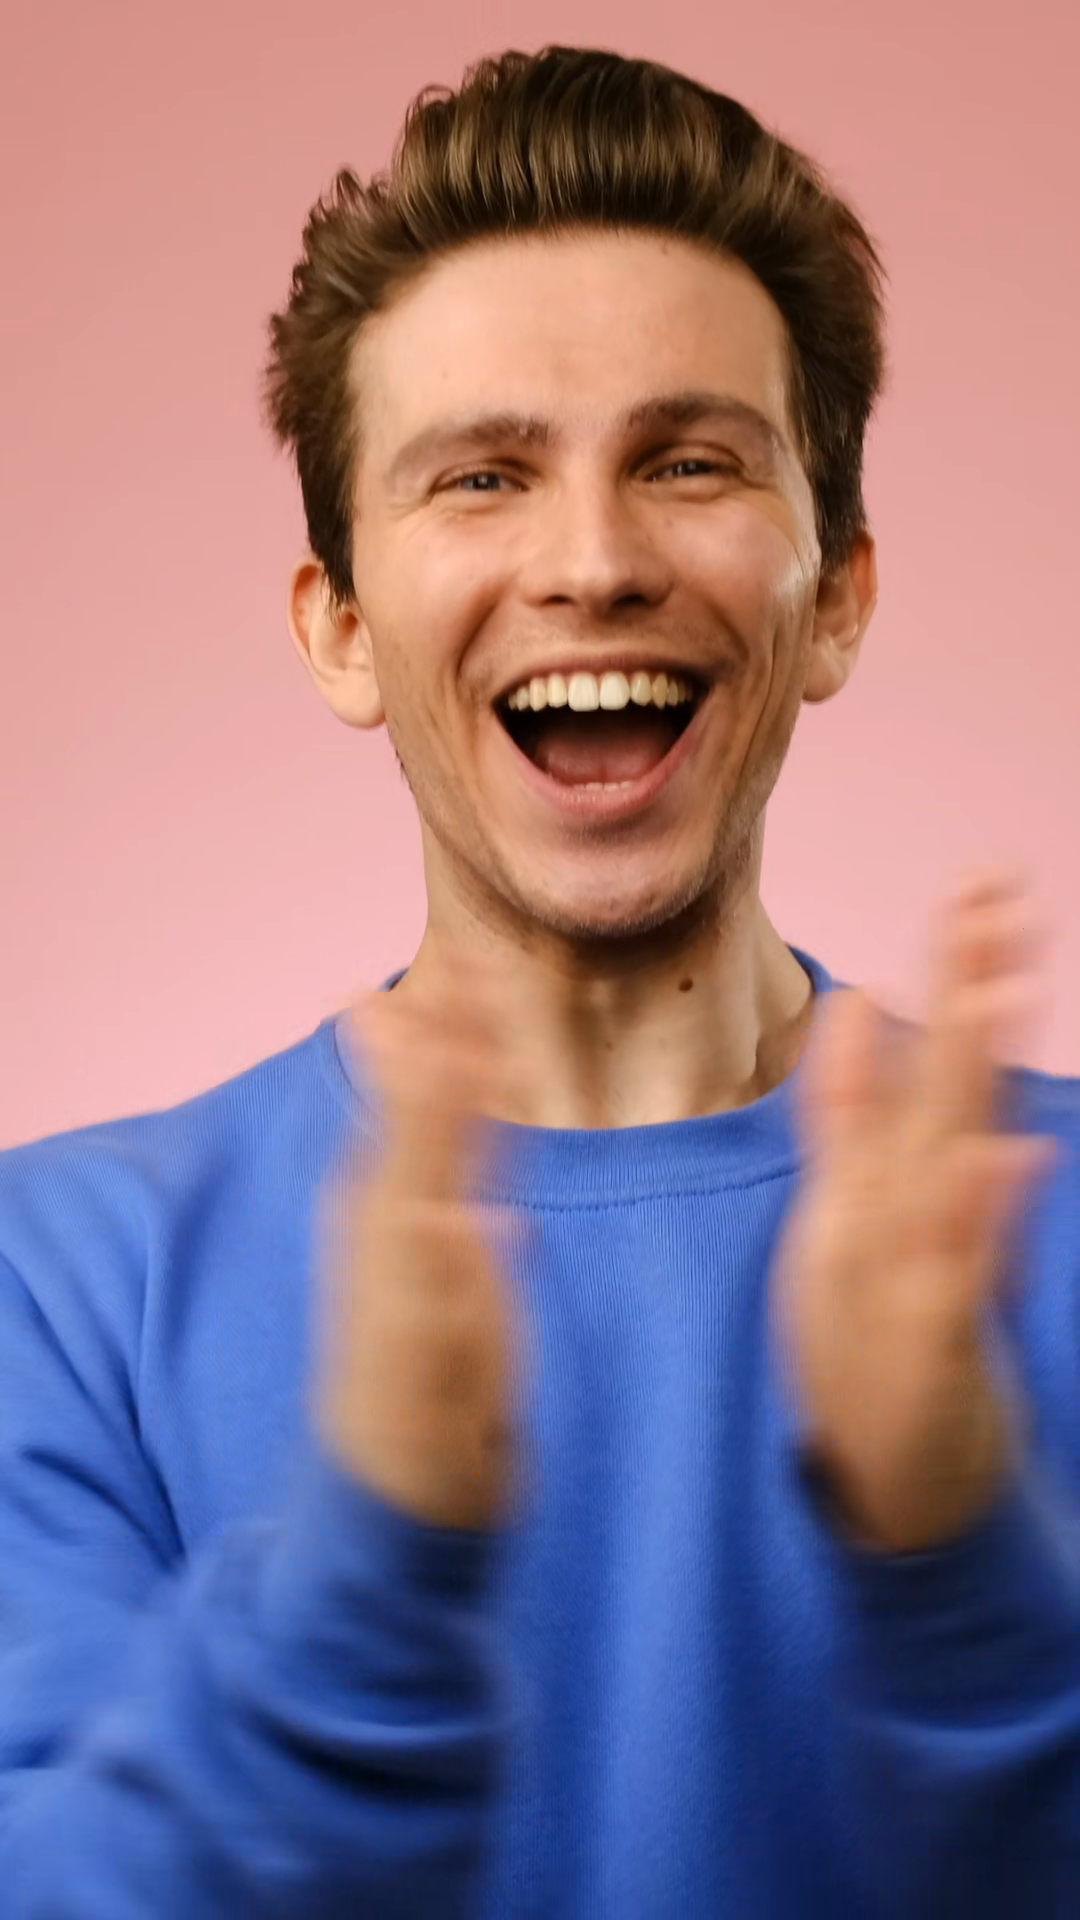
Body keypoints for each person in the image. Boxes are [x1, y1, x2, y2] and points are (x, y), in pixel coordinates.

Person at [1, 43, 1077, 1917]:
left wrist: (964, 1566)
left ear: (835, 594)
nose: (593, 562)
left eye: (689, 462)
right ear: (343, 628)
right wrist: (367, 1582)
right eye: (483, 476)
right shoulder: (60, 1289)